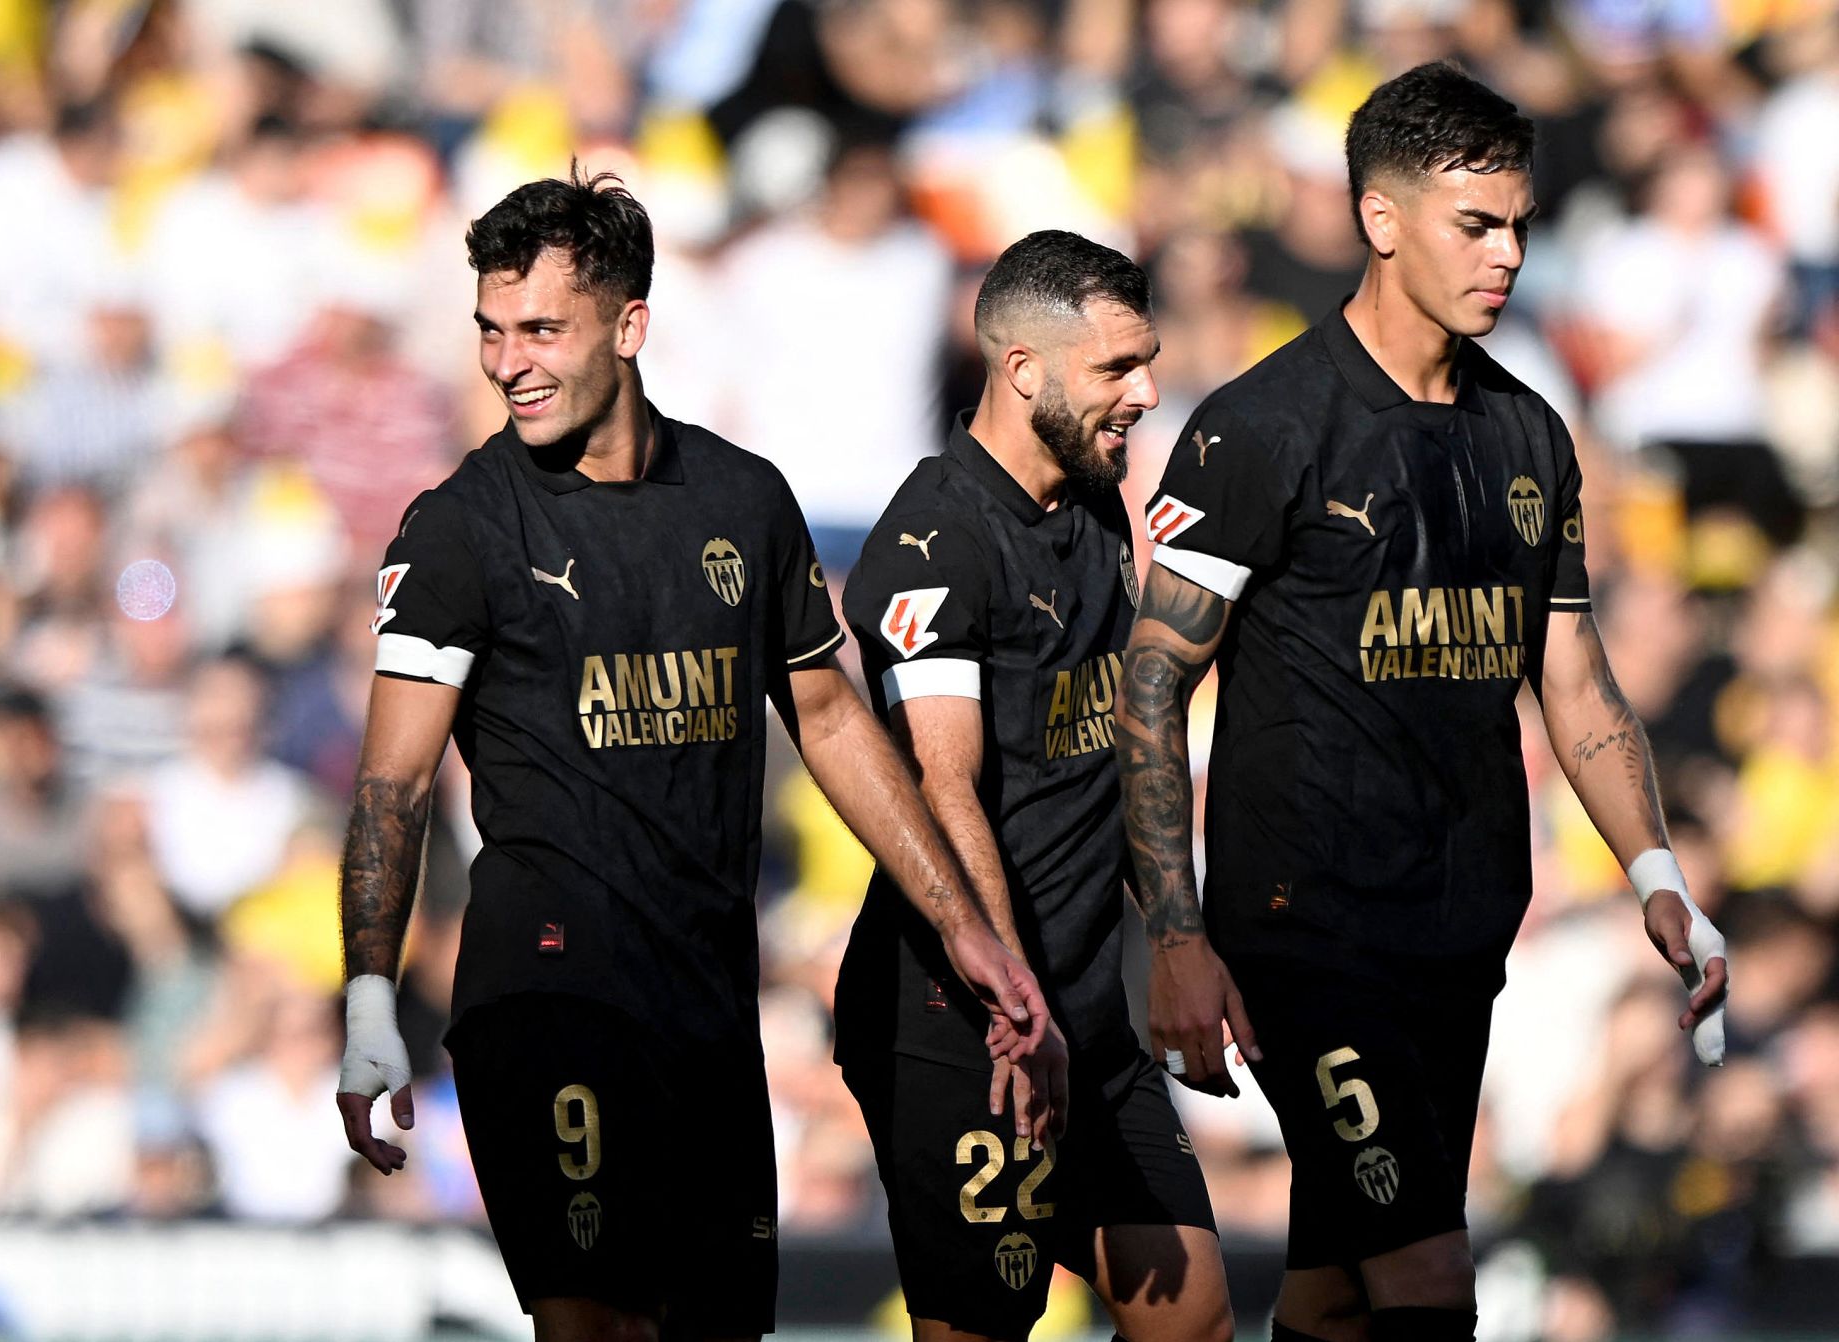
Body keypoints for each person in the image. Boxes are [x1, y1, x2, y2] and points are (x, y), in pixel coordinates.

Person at [331, 167, 1060, 1342]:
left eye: (542, 330)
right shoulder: (460, 528)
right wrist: (369, 992)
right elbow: (392, 782)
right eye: (491, 331)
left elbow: (830, 720)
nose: (508, 360)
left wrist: (966, 920)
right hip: (549, 989)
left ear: (629, 327)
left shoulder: (746, 502)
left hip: (706, 1003)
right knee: (599, 1326)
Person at [1115, 63, 1731, 1342]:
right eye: (1476, 224)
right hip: (1309, 928)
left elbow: (1570, 673)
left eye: (1519, 224)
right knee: (1428, 1277)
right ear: (1380, 219)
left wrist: (1654, 869)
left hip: (1460, 924)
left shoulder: (1532, 438)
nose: (1507, 254)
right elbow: (1152, 681)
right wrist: (1177, 934)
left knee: (1339, 1287)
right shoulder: (1262, 428)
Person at [835, 231, 1232, 1342]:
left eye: (1147, 361)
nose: (1148, 392)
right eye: (1118, 369)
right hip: (962, 1019)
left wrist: (1180, 935)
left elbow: (1127, 740)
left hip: (1088, 1011)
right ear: (1024, 370)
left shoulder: (1098, 506)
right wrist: (1014, 1010)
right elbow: (944, 786)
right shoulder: (932, 543)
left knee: (1192, 1317)